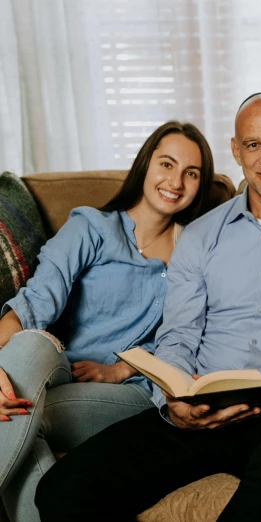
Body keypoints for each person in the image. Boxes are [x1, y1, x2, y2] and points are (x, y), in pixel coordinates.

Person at [34, 93, 261, 522]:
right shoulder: (202, 235)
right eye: (253, 145)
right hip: (199, 411)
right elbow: (178, 336)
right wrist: (173, 397)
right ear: (236, 151)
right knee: (63, 488)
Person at [0, 120, 214, 522]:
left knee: (28, 413)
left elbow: (187, 338)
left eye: (191, 173)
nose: (176, 181)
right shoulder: (92, 228)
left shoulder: (197, 253)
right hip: (59, 368)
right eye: (166, 164)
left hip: (134, 390)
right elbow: (38, 300)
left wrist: (119, 369)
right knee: (32, 346)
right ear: (145, 165)